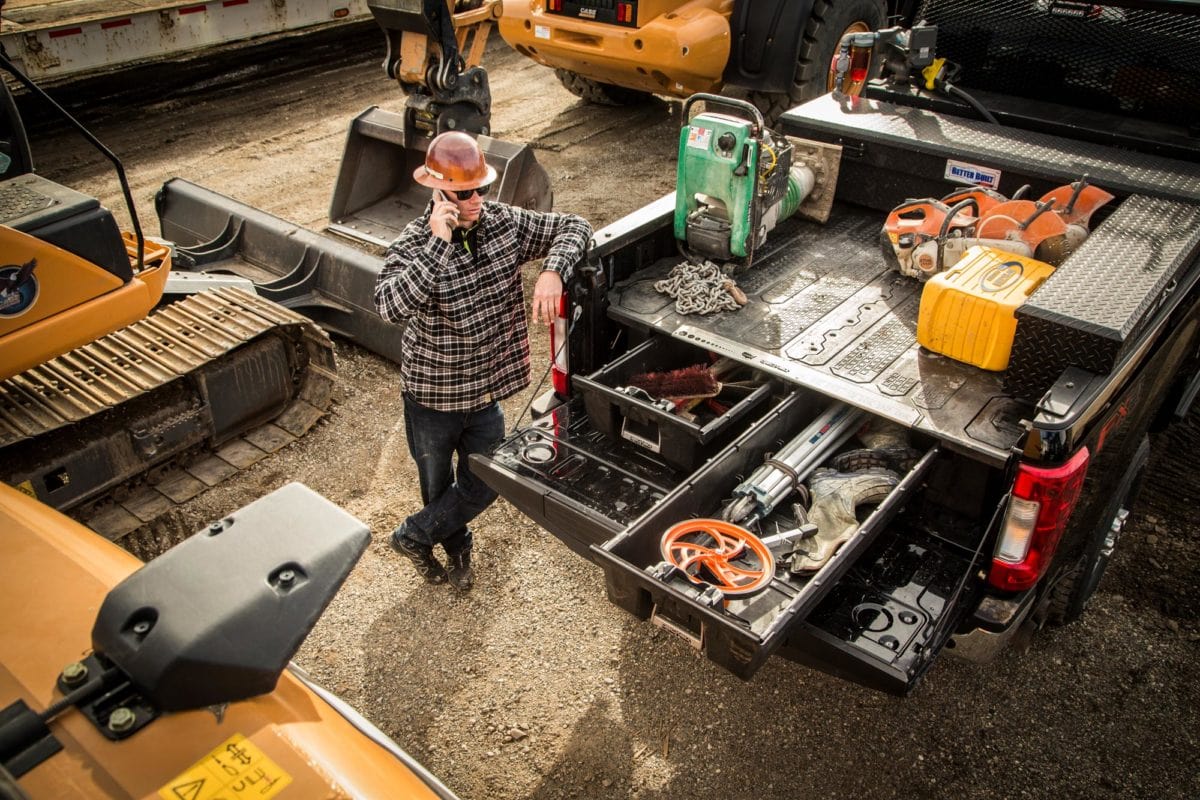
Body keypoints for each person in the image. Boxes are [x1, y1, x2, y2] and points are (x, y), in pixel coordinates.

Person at [373, 131, 591, 591]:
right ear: (438, 193)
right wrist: (439, 243)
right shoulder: (414, 245)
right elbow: (391, 306)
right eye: (465, 192)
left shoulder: (504, 223)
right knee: (436, 487)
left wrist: (553, 271)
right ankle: (455, 550)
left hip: (485, 393)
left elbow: (575, 226)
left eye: (482, 189)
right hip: (432, 400)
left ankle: (414, 534)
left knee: (490, 478)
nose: (476, 200)